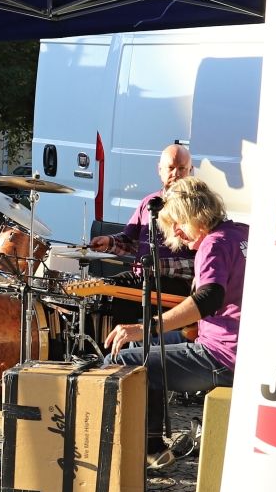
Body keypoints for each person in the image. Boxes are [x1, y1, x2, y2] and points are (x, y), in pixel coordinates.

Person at [105, 177, 246, 469]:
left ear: (197, 215)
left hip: (222, 356)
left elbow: (209, 297)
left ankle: (139, 451)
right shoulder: (242, 233)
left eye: (179, 223)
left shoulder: (213, 244)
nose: (177, 233)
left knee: (121, 360)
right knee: (140, 349)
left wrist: (148, 327)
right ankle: (152, 444)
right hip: (236, 346)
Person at [88, 144, 197, 291]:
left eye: (182, 168)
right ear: (160, 169)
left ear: (190, 170)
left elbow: (204, 259)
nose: (176, 174)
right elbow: (132, 242)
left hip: (177, 283)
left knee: (134, 295)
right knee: (102, 288)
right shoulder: (148, 202)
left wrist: (160, 266)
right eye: (170, 168)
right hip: (141, 276)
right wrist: (109, 242)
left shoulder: (199, 206)